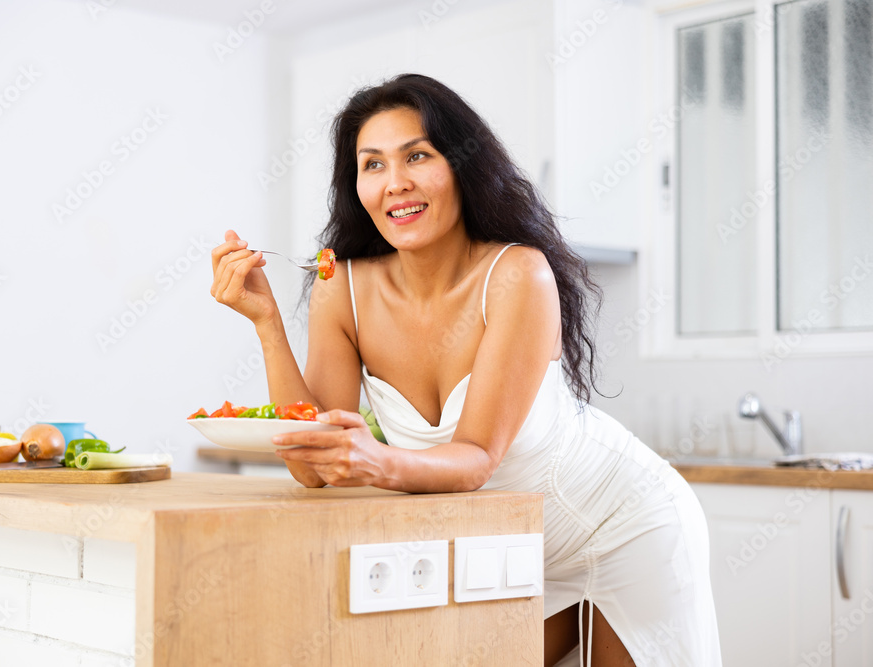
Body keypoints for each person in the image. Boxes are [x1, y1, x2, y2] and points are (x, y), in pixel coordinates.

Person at [210, 73, 721, 667]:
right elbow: (312, 469)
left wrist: (379, 461)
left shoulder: (517, 276)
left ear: (461, 166)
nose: (395, 182)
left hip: (623, 521)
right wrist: (267, 323)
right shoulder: (340, 288)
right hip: (510, 550)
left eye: (417, 156)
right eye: (372, 165)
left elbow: (477, 456)